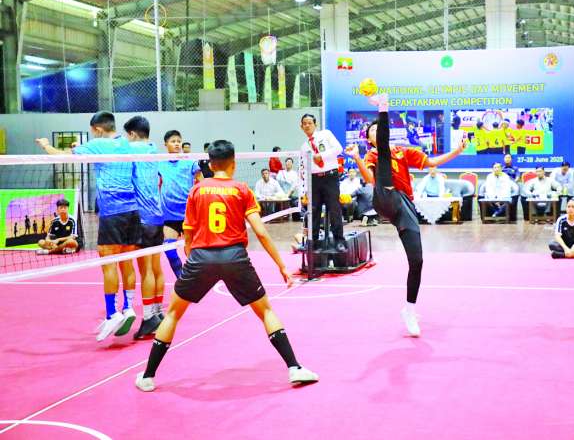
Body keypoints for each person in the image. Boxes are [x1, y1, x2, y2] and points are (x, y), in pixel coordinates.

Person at [135, 140, 318, 392]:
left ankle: (147, 376)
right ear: (234, 164)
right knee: (266, 311)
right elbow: (261, 232)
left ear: (210, 165)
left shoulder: (197, 190)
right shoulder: (242, 189)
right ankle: (294, 367)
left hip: (201, 257)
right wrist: (281, 266)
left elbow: (188, 234)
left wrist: (191, 256)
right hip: (235, 258)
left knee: (173, 314)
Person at [346, 92, 467, 337]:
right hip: (384, 196)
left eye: (378, 128)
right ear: (370, 140)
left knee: (417, 261)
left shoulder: (403, 152)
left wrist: (457, 151)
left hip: (404, 206)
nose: (376, 132)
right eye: (373, 131)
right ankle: (383, 105)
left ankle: (409, 310)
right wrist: (357, 158)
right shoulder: (372, 154)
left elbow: (431, 163)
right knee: (383, 164)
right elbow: (370, 180)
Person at [36, 111, 141, 341]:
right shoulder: (126, 144)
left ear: (97, 129)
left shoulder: (97, 144)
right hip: (132, 211)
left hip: (112, 212)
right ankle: (129, 307)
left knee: (108, 264)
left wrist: (45, 145)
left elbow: (62, 156)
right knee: (127, 262)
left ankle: (112, 314)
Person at [124, 116, 166, 340]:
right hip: (158, 216)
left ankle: (149, 317)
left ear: (132, 133)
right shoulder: (153, 148)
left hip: (143, 218)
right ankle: (158, 312)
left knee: (146, 270)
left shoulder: (130, 150)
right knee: (156, 268)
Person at [300, 114, 346, 253]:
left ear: (315, 124)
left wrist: (322, 156)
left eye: (310, 123)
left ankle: (339, 241)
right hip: (314, 180)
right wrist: (306, 189)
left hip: (330, 177)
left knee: (334, 209)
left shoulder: (326, 134)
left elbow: (338, 149)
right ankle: (313, 243)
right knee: (313, 211)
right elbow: (305, 169)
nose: (307, 125)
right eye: (304, 123)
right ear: (301, 127)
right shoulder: (303, 147)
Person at [159, 130, 202, 279]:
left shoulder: (190, 162)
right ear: (166, 144)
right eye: (173, 141)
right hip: (169, 215)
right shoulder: (159, 163)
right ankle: (182, 278)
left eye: (178, 141)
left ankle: (193, 278)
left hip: (188, 214)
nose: (177, 144)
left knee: (191, 251)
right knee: (169, 250)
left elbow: (201, 182)